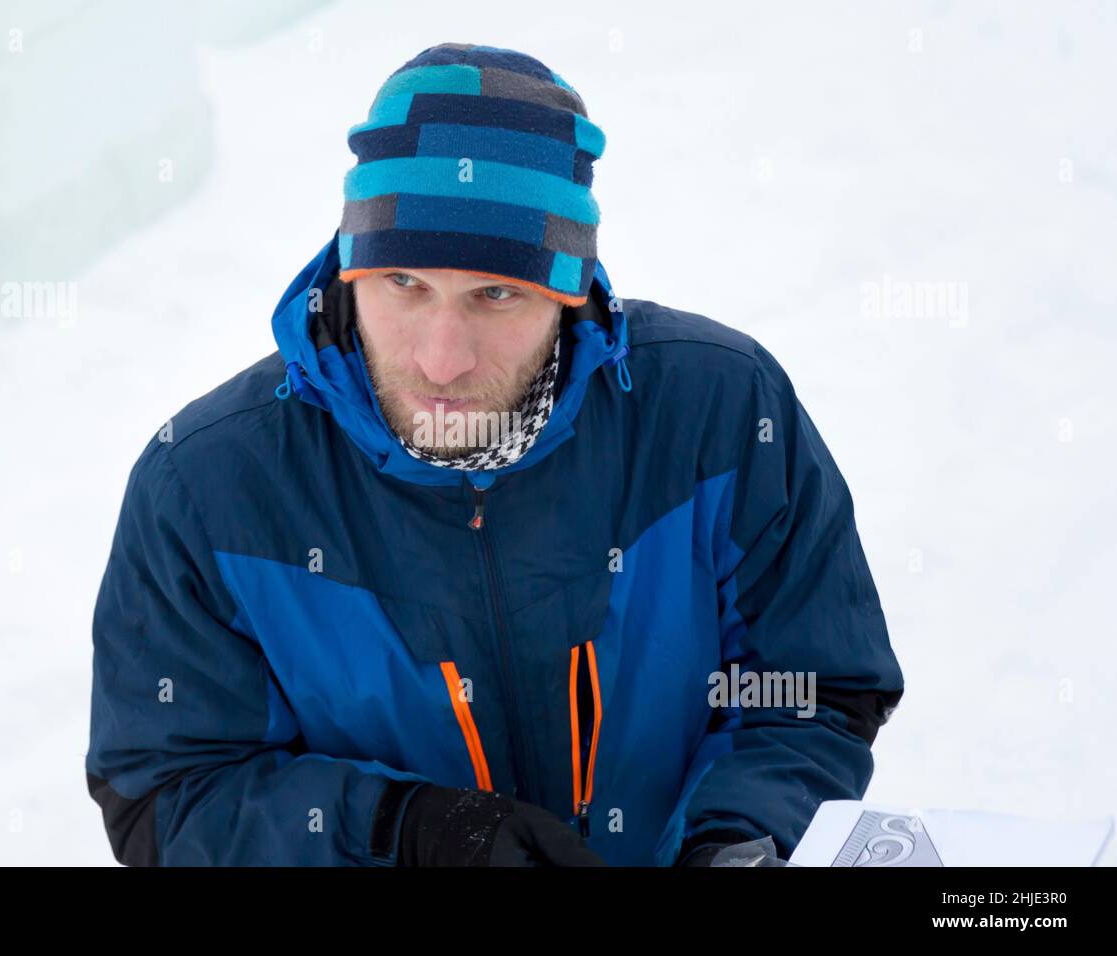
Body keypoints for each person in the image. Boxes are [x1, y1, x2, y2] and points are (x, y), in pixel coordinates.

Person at [85, 41, 904, 866]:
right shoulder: (205, 486)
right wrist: (404, 832)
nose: (442, 360)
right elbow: (164, 794)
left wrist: (735, 838)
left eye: (497, 293)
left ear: (568, 292)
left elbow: (811, 686)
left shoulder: (719, 408)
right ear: (348, 269)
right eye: (403, 284)